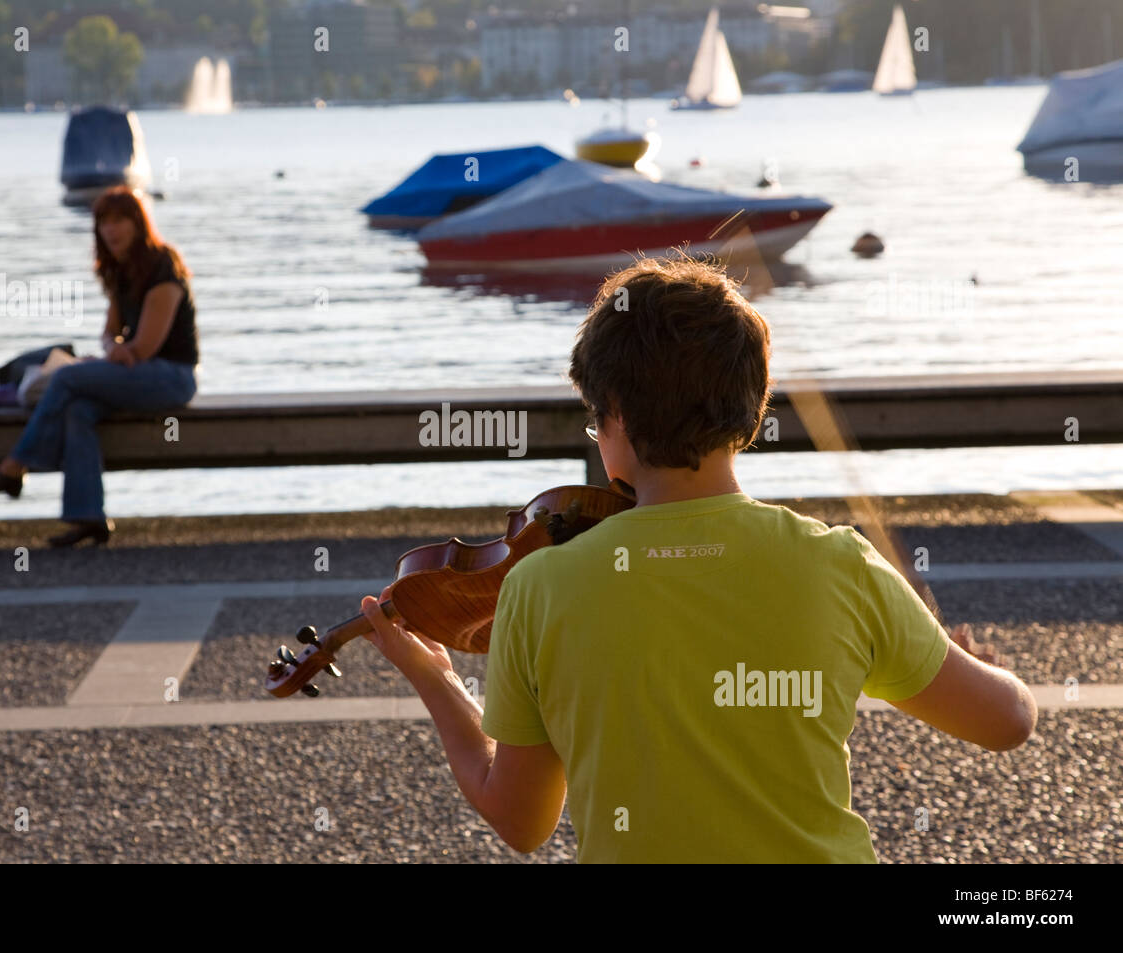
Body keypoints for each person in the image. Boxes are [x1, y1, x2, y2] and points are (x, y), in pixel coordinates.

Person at [359, 254, 1037, 863]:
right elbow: (1007, 721)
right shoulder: (839, 564)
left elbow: (522, 819)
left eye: (596, 419)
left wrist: (434, 677)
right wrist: (980, 669)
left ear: (616, 416)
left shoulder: (541, 585)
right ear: (751, 408)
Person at [0, 186, 199, 547]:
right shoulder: (121, 271)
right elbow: (109, 334)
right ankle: (88, 516)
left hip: (172, 377)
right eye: (103, 222)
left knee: (69, 377)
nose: (111, 229)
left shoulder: (163, 267)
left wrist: (121, 352)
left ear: (138, 223)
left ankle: (13, 467)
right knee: (78, 409)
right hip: (137, 373)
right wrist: (113, 348)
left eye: (119, 220)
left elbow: (148, 347)